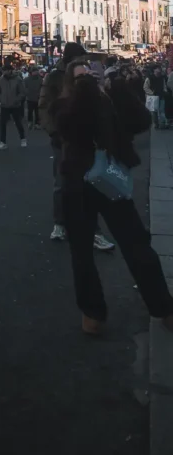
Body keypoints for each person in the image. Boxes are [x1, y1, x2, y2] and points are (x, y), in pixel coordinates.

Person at [52, 59, 173, 335]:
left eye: (90, 77)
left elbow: (141, 121)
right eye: (80, 78)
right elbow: (65, 129)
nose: (86, 82)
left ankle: (163, 307)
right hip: (77, 184)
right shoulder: (65, 105)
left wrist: (116, 88)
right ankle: (92, 312)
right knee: (81, 253)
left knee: (136, 244)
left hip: (110, 179)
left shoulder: (109, 101)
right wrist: (86, 93)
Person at [39, 42, 115, 251]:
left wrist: (102, 87)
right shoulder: (55, 77)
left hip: (87, 138)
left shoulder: (88, 75)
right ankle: (60, 223)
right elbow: (44, 105)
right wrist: (54, 131)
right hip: (63, 137)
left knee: (90, 184)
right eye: (80, 58)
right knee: (61, 182)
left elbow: (103, 107)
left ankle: (95, 232)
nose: (84, 62)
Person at [0, 63, 26, 149]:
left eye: (5, 70)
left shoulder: (18, 79)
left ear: (10, 70)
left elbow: (22, 92)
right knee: (2, 124)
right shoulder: (1, 80)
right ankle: (3, 142)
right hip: (4, 105)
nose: (4, 72)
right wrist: (1, 100)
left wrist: (16, 100)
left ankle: (23, 138)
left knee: (18, 123)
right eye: (3, 71)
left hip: (15, 105)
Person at [144, 66, 167, 130]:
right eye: (157, 68)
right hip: (153, 97)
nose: (159, 69)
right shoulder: (149, 78)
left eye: (159, 68)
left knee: (162, 110)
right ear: (154, 70)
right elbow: (145, 87)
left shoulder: (162, 77)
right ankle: (156, 124)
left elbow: (164, 85)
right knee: (154, 111)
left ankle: (162, 123)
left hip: (161, 95)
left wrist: (165, 91)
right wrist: (151, 93)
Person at [24, 66, 43, 130]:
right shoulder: (26, 79)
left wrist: (40, 93)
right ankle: (30, 122)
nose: (35, 72)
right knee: (30, 111)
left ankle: (37, 123)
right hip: (30, 97)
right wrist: (27, 92)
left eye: (36, 71)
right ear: (31, 72)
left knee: (37, 111)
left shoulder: (40, 79)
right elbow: (24, 87)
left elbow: (42, 87)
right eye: (34, 71)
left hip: (38, 97)